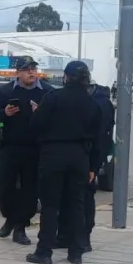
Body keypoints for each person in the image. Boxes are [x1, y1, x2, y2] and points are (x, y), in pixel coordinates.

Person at [26, 60, 101, 264]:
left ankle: (44, 252)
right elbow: (97, 138)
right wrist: (93, 166)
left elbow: (36, 125)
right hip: (80, 157)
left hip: (54, 155)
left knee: (50, 205)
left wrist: (37, 113)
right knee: (76, 204)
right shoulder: (92, 103)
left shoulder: (53, 98)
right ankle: (76, 252)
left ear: (66, 77)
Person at [0, 58, 53, 245]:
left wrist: (42, 114)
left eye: (34, 68)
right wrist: (4, 114)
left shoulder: (47, 91)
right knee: (6, 187)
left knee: (30, 190)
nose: (31, 72)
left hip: (35, 149)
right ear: (18, 73)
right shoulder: (6, 91)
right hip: (10, 147)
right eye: (27, 69)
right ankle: (10, 218)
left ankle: (21, 227)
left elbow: (56, 121)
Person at [56, 83, 115, 252]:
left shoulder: (97, 104)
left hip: (86, 158)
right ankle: (70, 238)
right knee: (75, 199)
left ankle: (80, 240)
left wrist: (94, 166)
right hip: (85, 157)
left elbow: (99, 137)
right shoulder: (99, 101)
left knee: (82, 200)